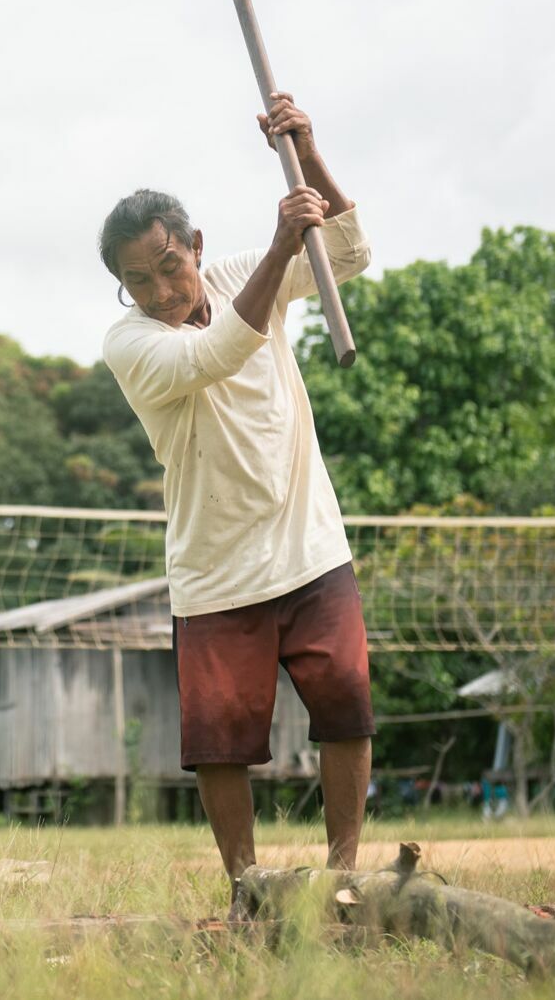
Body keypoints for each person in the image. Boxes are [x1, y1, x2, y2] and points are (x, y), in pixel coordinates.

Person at [98, 93, 373, 914]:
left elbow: (349, 253)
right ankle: (246, 891)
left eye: (169, 266)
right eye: (136, 282)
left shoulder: (232, 272)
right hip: (216, 570)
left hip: (309, 543)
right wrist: (285, 241)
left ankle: (345, 877)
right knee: (221, 745)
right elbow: (219, 351)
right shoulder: (132, 343)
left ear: (196, 247)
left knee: (346, 713)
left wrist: (309, 152)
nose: (159, 290)